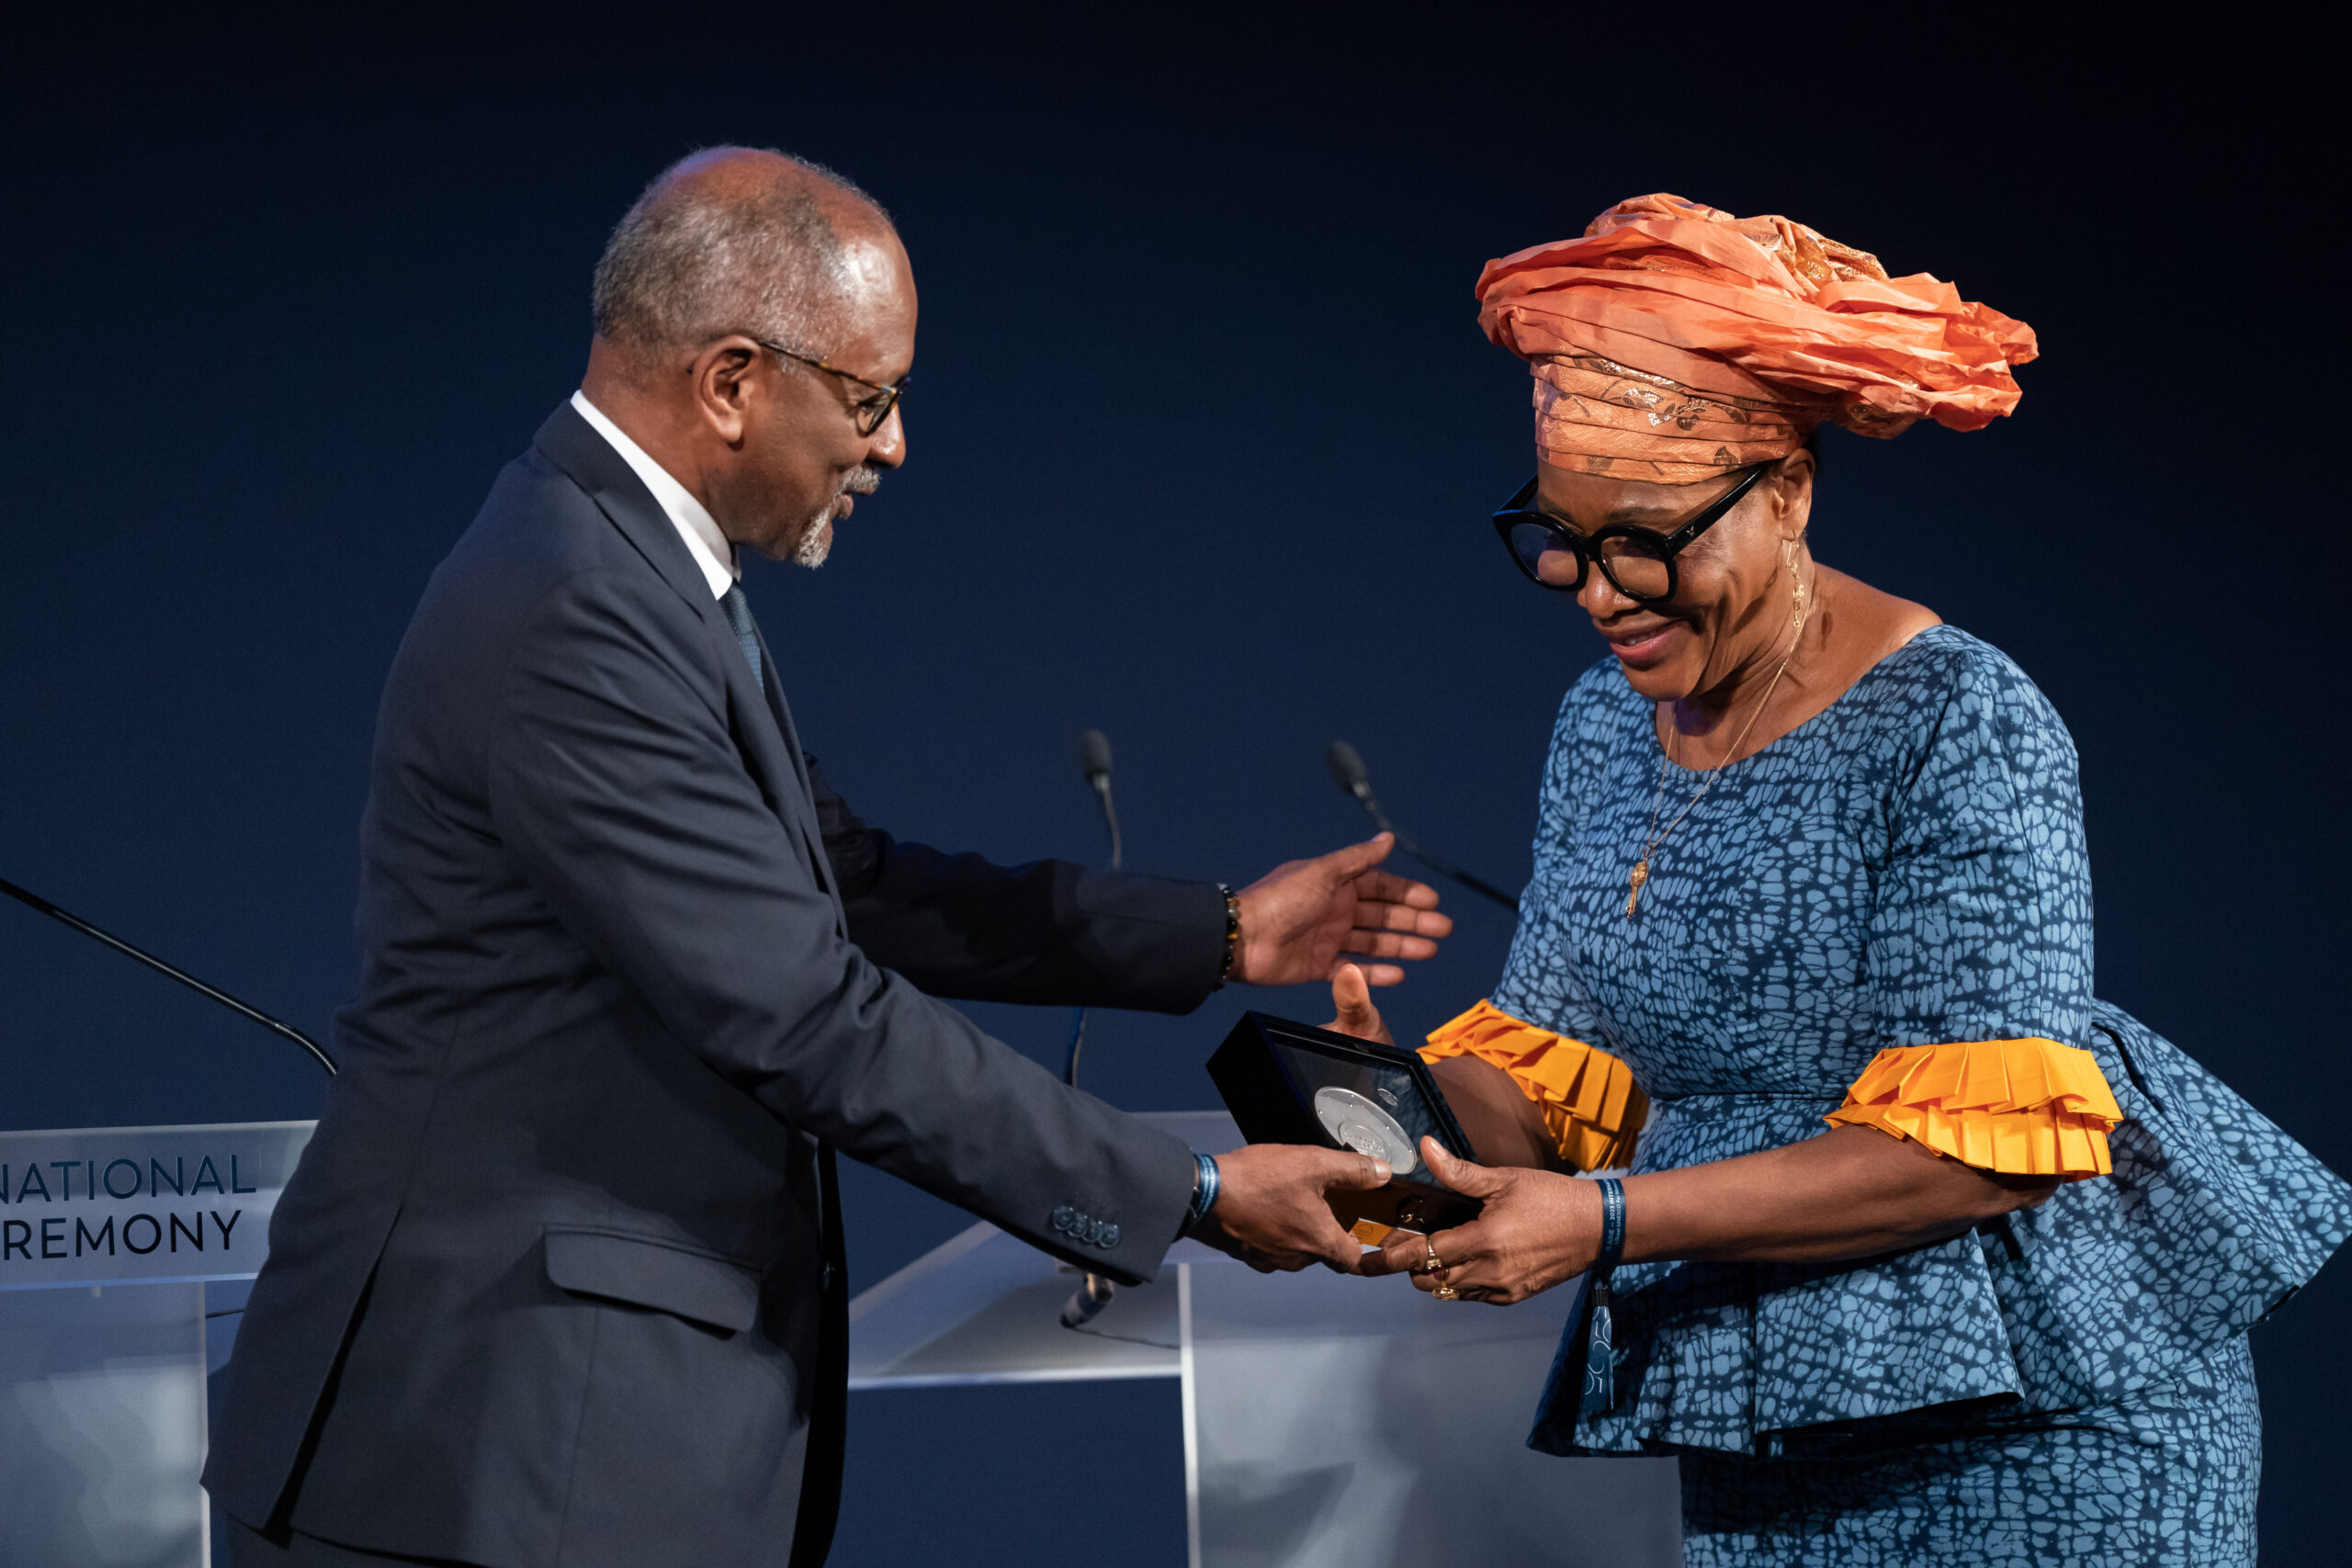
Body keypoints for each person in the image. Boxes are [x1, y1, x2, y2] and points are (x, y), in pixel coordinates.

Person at [202, 147, 1450, 1568]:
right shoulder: (573, 608)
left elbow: (842, 883)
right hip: (493, 1446)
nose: (894, 446)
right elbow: (802, 1011)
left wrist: (1222, 936)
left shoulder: (626, 566)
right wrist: (1199, 1196)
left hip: (555, 1443)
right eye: (871, 399)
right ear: (732, 381)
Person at [1326, 194, 2352, 1565]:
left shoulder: (1956, 720)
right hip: (1780, 1408)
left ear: (1789, 494)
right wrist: (1411, 1117)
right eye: (1561, 536)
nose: (1598, 589)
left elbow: (1974, 1157)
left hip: (2044, 1427)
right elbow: (1562, 1065)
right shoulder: (1600, 725)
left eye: (1648, 536)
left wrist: (1609, 1221)